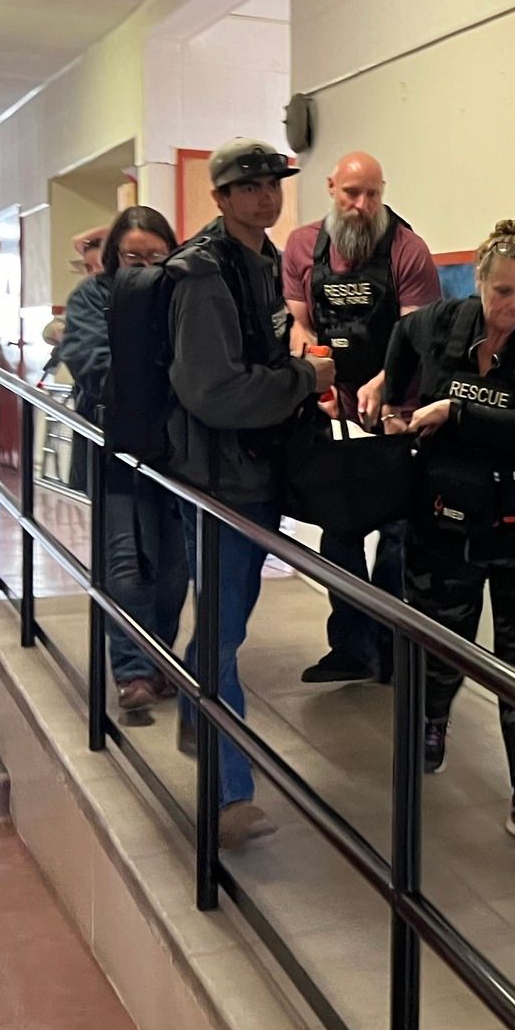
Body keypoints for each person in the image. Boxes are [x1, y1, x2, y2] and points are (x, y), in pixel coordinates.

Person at [357, 220, 515, 853]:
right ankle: (430, 726)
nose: (512, 307)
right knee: (437, 646)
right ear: (478, 279)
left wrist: (455, 413)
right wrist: (385, 398)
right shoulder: (430, 327)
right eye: (502, 290)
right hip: (444, 525)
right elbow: (393, 379)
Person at [166, 139, 336, 849]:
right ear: (221, 198)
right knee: (225, 633)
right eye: (250, 186)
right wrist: (306, 381)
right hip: (216, 480)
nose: (266, 196)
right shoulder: (202, 276)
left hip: (253, 472)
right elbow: (214, 392)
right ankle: (229, 791)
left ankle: (194, 713)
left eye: (273, 184)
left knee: (224, 628)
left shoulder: (262, 259)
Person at [282, 149, 442, 686]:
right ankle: (350, 647)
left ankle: (394, 650)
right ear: (331, 188)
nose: (362, 204)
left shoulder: (407, 250)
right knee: (338, 529)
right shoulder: (303, 247)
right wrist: (315, 371)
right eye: (352, 193)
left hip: (397, 416)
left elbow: (417, 334)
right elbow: (298, 326)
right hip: (333, 418)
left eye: (373, 193)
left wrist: (386, 382)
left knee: (398, 536)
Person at [59, 206, 186, 718]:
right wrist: (163, 378)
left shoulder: (182, 295)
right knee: (128, 566)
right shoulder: (91, 296)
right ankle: (132, 671)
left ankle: (159, 661)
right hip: (116, 449)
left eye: (156, 255)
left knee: (175, 569)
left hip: (177, 450)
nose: (144, 265)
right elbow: (90, 360)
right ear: (113, 256)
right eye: (132, 255)